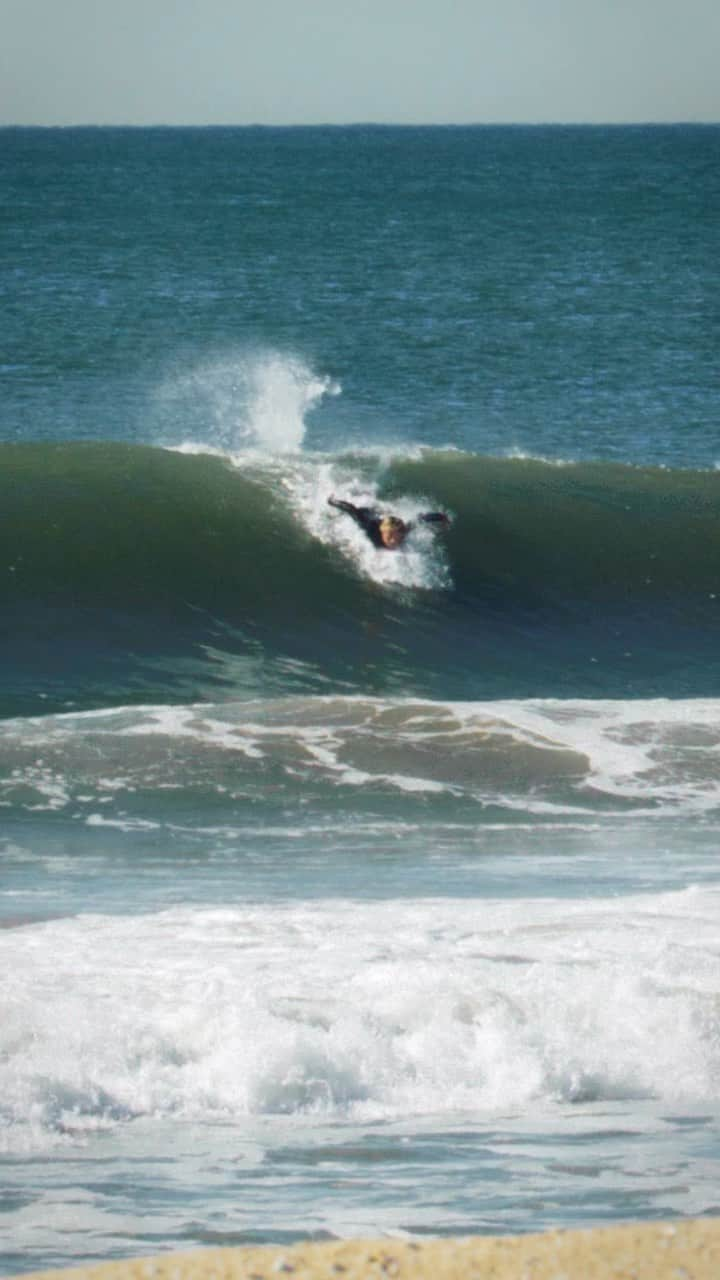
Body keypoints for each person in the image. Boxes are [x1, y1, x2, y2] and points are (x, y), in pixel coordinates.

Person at [328, 496, 450, 550]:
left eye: (396, 537)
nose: (393, 541)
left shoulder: (403, 531)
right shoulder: (371, 531)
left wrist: (442, 517)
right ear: (382, 533)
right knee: (364, 512)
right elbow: (352, 510)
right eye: (389, 537)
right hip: (368, 516)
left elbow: (421, 519)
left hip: (386, 523)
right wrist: (333, 502)